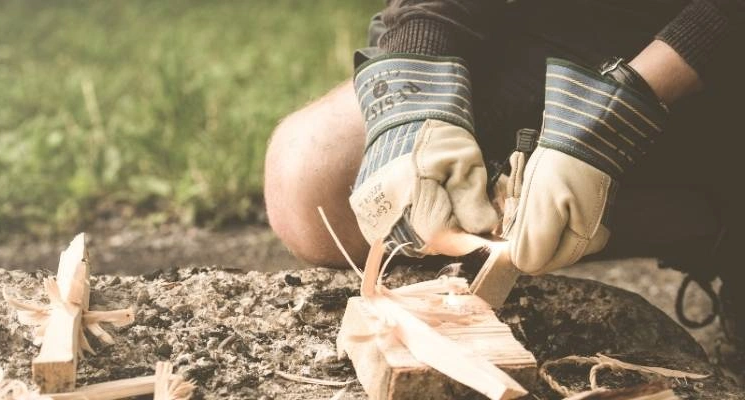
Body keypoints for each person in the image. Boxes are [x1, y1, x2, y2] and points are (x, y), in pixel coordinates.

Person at [265, 0, 744, 345]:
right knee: (310, 176)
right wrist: (413, 95)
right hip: (579, 27)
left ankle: (717, 227)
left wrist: (623, 106)